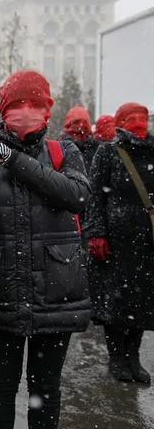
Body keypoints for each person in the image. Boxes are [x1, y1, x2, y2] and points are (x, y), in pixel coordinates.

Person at [0, 70, 91, 429]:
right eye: (17, 106)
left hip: (55, 293)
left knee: (46, 391)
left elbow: (76, 196)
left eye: (35, 105)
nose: (26, 113)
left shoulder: (66, 153)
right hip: (0, 290)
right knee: (1, 389)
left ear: (48, 110)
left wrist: (14, 160)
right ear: (3, 112)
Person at [85, 102, 154, 385]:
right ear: (121, 122)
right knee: (116, 299)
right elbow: (95, 196)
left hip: (146, 241)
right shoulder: (109, 151)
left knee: (140, 300)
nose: (139, 123)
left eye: (143, 118)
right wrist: (96, 233)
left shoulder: (152, 150)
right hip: (115, 241)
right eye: (132, 119)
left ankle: (133, 356)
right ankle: (117, 357)